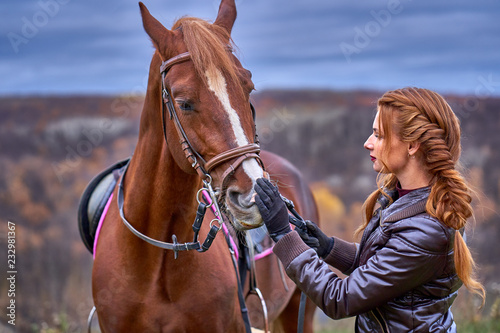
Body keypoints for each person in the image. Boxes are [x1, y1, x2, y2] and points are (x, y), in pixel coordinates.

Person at [254, 87, 485, 332]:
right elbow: (381, 267)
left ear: (412, 145)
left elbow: (340, 300)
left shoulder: (426, 230)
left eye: (379, 135)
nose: (368, 143)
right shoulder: (402, 200)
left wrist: (283, 234)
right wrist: (328, 248)